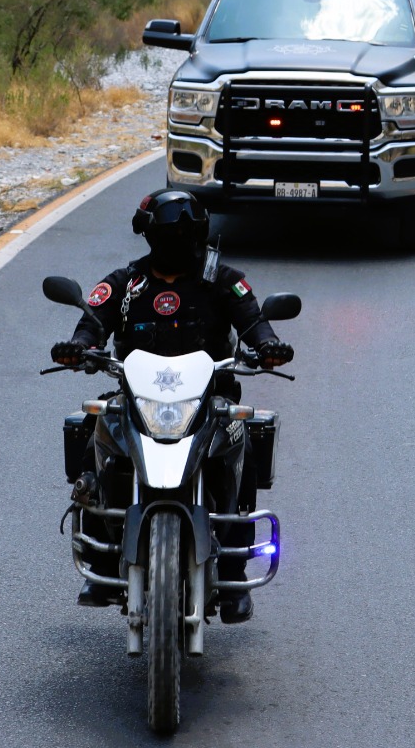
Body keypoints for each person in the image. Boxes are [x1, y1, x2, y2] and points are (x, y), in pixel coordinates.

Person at [51, 188, 293, 621]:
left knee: (243, 447)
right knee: (97, 435)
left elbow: (255, 321)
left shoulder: (222, 279)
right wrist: (78, 347)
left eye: (185, 233)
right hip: (137, 400)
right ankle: (103, 560)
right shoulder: (127, 282)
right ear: (149, 236)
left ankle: (235, 570)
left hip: (209, 402)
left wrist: (269, 346)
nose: (176, 240)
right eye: (167, 232)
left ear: (199, 234)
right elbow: (92, 322)